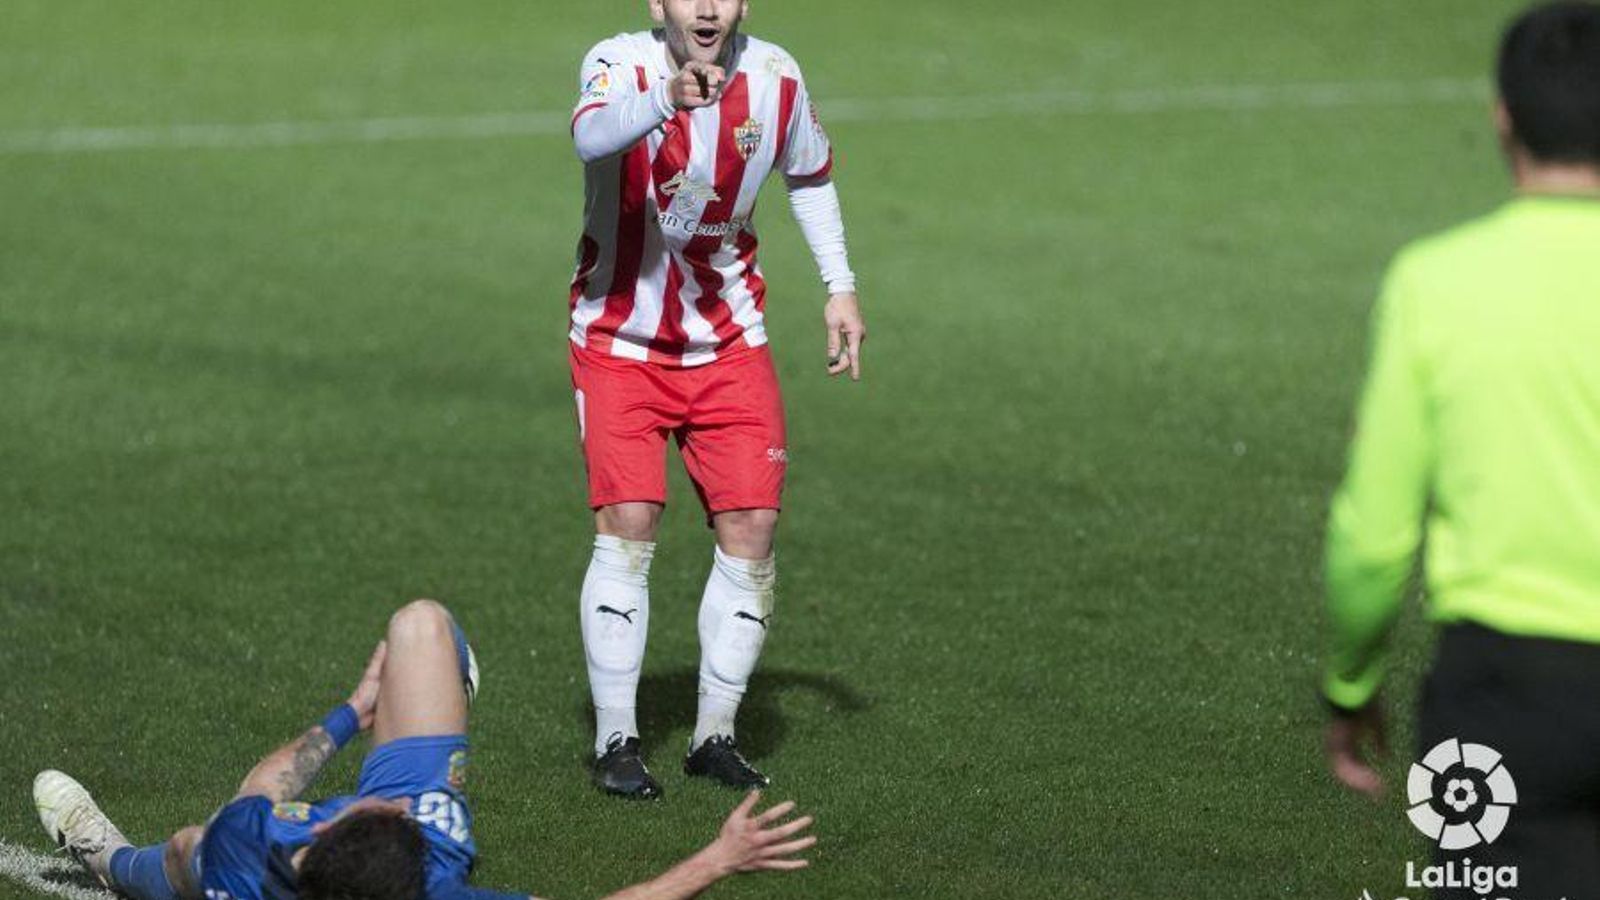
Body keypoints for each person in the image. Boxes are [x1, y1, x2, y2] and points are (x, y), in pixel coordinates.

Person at [1321, 2, 1600, 896]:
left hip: (1506, 693)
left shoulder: (1434, 283)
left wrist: (1350, 683)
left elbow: (1373, 532)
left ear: (1503, 117)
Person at [565, 0, 864, 799]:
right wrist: (669, 97)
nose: (706, 7)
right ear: (656, 3)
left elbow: (811, 176)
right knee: (629, 524)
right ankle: (617, 739)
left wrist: (840, 288)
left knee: (753, 527)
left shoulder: (775, 77)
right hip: (620, 337)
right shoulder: (618, 63)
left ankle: (713, 736)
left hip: (729, 339)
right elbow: (589, 136)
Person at [33, 599, 816, 900]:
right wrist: (717, 859)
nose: (382, 796)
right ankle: (449, 684)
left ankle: (107, 860)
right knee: (425, 630)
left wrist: (353, 712)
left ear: (322, 836)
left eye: (368, 803)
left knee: (187, 848)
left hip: (250, 861)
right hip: (406, 842)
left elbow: (271, 782)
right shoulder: (440, 896)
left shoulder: (257, 850)